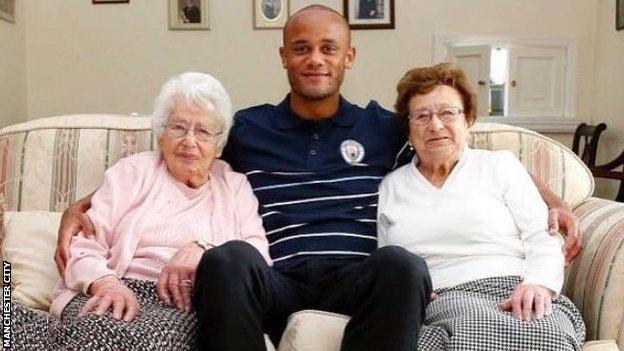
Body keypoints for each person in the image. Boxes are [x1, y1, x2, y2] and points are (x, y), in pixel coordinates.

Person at [54, 5, 583, 350]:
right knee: (227, 256)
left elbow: (458, 147)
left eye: (328, 48)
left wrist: (555, 198)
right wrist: (82, 206)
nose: (315, 59)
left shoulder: (382, 126)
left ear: (348, 56)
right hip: (275, 277)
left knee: (401, 264)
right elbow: (177, 156)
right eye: (302, 48)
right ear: (283, 55)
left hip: (356, 278)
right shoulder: (249, 127)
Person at [13, 72, 271, 350]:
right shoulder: (133, 172)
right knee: (34, 322)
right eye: (178, 127)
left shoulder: (234, 187)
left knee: (111, 335)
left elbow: (257, 257)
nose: (189, 141)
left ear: (219, 146)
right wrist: (106, 283)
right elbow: (85, 243)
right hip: (113, 288)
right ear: (161, 136)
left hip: (182, 306)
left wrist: (204, 249)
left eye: (203, 132)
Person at [378, 63, 585, 350]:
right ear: (408, 129)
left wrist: (539, 283)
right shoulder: (391, 186)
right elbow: (385, 260)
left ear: (468, 120)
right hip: (437, 300)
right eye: (422, 116)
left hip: (515, 288)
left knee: (546, 332)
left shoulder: (500, 165)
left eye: (448, 113)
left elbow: (542, 235)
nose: (435, 125)